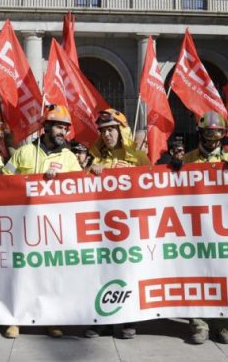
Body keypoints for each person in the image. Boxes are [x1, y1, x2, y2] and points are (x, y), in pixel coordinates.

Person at [1, 104, 82, 339]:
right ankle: (14, 320)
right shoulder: (23, 153)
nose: (63, 132)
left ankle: (51, 320)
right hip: (23, 226)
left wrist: (60, 182)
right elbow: (3, 180)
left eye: (65, 128)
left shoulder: (69, 158)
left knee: (50, 276)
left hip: (54, 228)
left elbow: (79, 189)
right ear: (45, 126)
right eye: (58, 126)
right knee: (20, 274)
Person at [85, 109, 150, 340]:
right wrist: (90, 172)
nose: (106, 134)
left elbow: (153, 188)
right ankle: (102, 320)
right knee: (101, 273)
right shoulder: (96, 159)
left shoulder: (138, 158)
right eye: (103, 131)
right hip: (102, 229)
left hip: (131, 229)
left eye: (111, 129)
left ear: (121, 131)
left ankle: (128, 321)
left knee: (129, 273)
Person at [176, 111, 228, 345]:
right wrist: (172, 170)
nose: (212, 139)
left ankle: (223, 324)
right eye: (209, 133)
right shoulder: (188, 159)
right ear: (201, 133)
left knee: (224, 276)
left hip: (224, 229)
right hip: (195, 229)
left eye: (217, 134)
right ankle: (199, 324)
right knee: (197, 276)